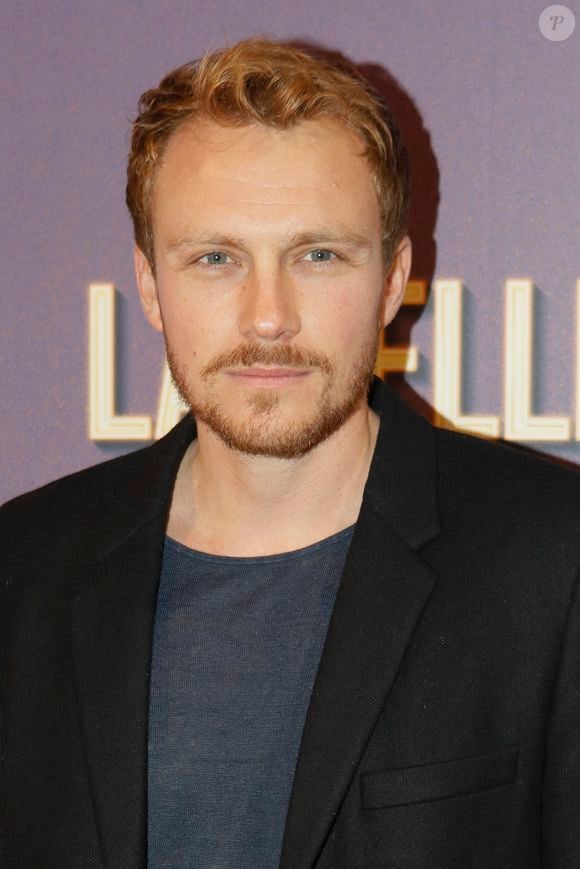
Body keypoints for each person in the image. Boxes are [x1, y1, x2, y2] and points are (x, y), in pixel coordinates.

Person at [1, 37, 579, 869]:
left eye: (317, 255)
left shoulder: (554, 567)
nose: (267, 316)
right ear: (150, 286)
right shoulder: (22, 571)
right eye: (214, 258)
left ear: (391, 279)